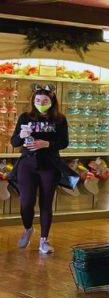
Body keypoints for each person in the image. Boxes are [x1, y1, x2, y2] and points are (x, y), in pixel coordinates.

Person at [10, 86, 69, 254]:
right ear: (33, 101)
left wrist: (47, 144)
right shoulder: (25, 117)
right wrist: (21, 137)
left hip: (49, 165)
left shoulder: (59, 119)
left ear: (52, 102)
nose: (41, 104)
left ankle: (44, 240)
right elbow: (14, 142)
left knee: (46, 203)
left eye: (45, 101)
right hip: (27, 164)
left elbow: (64, 142)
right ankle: (28, 228)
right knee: (26, 202)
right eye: (37, 101)